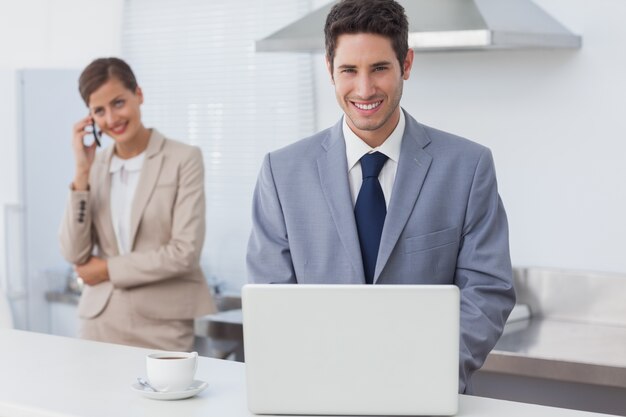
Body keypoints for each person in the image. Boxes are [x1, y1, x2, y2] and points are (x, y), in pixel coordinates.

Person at [247, 0, 515, 393]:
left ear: (406, 64)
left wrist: (423, 376)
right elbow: (271, 300)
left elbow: (487, 291)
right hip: (317, 395)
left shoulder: (468, 166)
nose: (364, 89)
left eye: (379, 68)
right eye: (349, 70)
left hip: (426, 395)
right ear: (329, 70)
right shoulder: (281, 172)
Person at [59, 57, 215, 351]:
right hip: (99, 323)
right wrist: (81, 172)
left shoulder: (183, 158)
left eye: (118, 103)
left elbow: (185, 252)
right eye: (99, 111)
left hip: (162, 326)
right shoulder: (95, 165)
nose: (111, 119)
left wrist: (107, 269)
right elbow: (73, 252)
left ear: (138, 95)